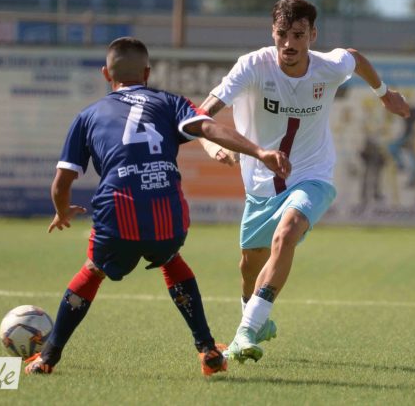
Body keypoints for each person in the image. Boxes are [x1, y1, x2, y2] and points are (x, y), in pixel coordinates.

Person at [24, 37, 291, 376]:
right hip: (168, 212)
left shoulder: (88, 115)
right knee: (170, 259)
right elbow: (208, 127)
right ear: (147, 73)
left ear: (106, 74)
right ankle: (208, 349)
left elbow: (62, 182)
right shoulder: (169, 102)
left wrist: (62, 211)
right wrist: (260, 152)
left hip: (117, 211)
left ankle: (48, 357)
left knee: (92, 271)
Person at [197, 0, 410, 363]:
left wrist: (384, 94)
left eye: (298, 35)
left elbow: (355, 58)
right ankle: (257, 319)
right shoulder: (252, 65)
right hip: (260, 184)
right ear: (273, 33)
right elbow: (200, 115)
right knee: (249, 265)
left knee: (288, 232)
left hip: (313, 175)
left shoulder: (328, 67)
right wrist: (209, 143)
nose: (289, 44)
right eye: (282, 34)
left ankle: (245, 332)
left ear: (313, 35)